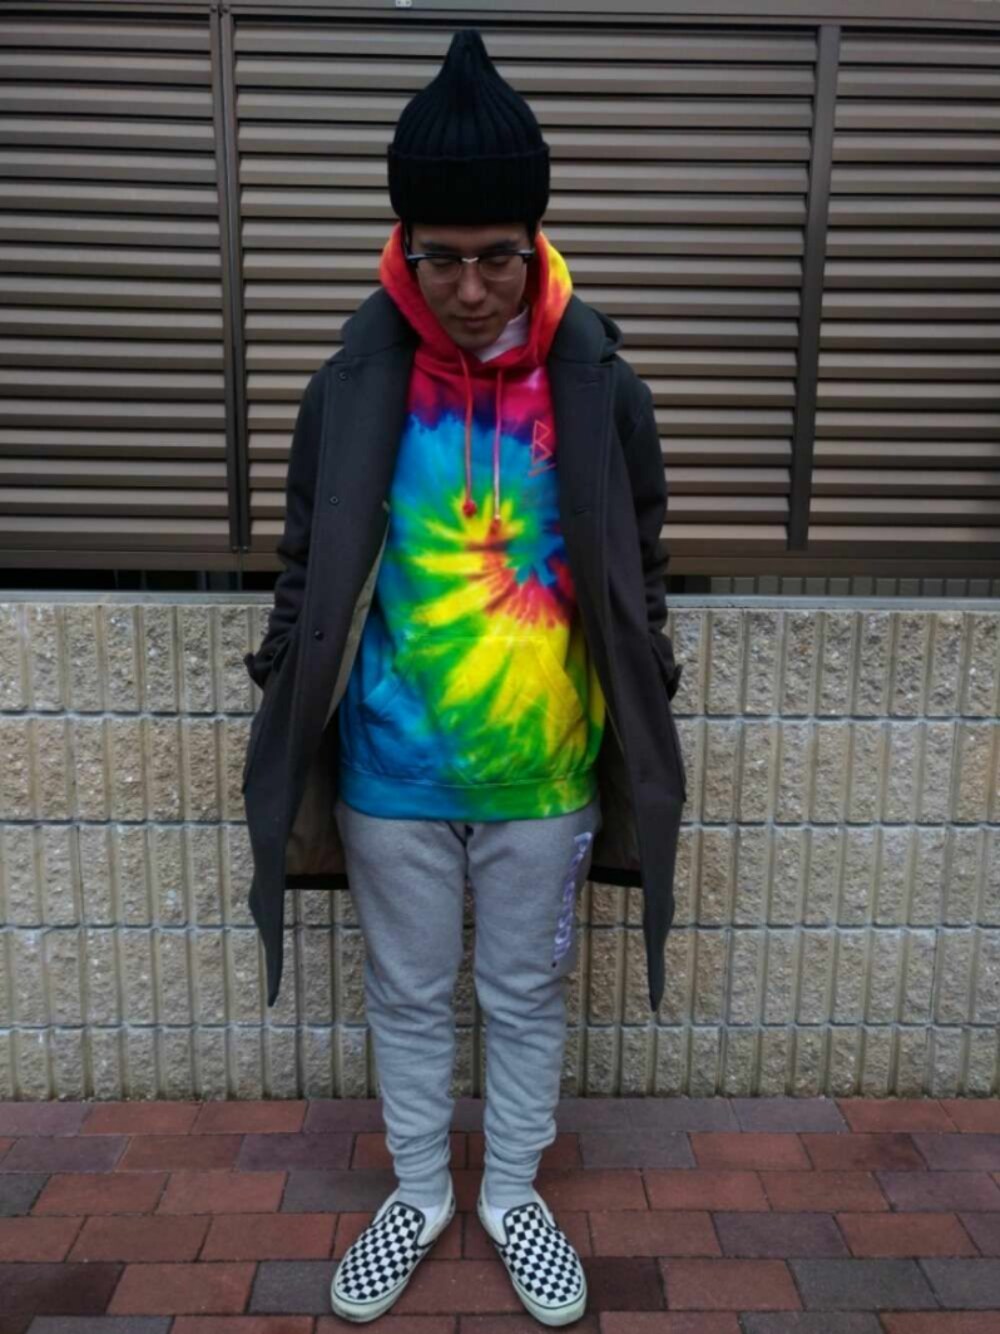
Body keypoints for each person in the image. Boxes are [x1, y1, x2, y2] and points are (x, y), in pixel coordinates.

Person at [242, 24, 685, 1329]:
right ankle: (423, 1190)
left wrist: (649, 660)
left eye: (499, 255)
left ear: (537, 243)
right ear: (405, 246)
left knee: (526, 991)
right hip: (390, 771)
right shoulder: (349, 387)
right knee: (407, 993)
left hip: (546, 772)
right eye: (443, 257)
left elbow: (643, 550)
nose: (473, 288)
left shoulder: (601, 387)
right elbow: (309, 553)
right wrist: (283, 664)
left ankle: (514, 1195)